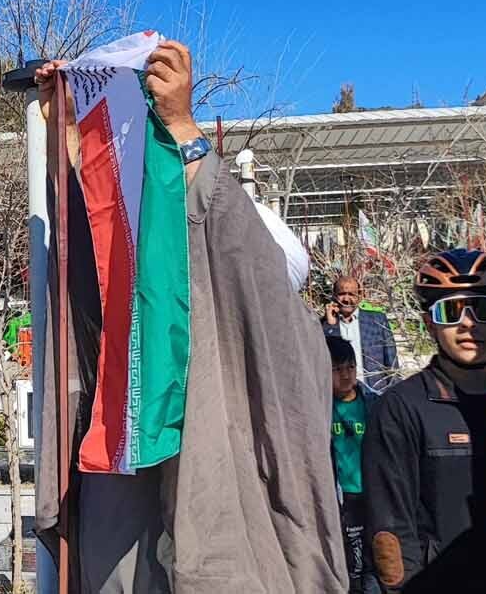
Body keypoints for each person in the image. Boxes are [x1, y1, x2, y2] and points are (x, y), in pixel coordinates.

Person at [33, 40, 345, 592]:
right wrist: (71, 139)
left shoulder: (290, 348)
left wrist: (181, 128)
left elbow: (228, 237)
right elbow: (96, 274)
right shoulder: (143, 352)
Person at [363, 249, 486, 594]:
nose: (469, 324)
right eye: (452, 311)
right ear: (430, 323)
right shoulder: (400, 407)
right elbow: (389, 526)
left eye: (484, 309)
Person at [327, 335, 377, 594]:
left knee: (375, 555)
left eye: (350, 367)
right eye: (336, 369)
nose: (345, 375)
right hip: (342, 496)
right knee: (352, 559)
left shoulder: (374, 404)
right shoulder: (320, 408)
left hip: (371, 491)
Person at [322, 276, 399, 391]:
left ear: (360, 296)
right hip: (340, 395)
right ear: (334, 296)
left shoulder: (377, 321)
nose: (346, 299)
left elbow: (392, 363)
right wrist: (330, 325)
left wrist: (394, 394)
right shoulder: (325, 325)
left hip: (375, 392)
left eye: (351, 294)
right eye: (342, 294)